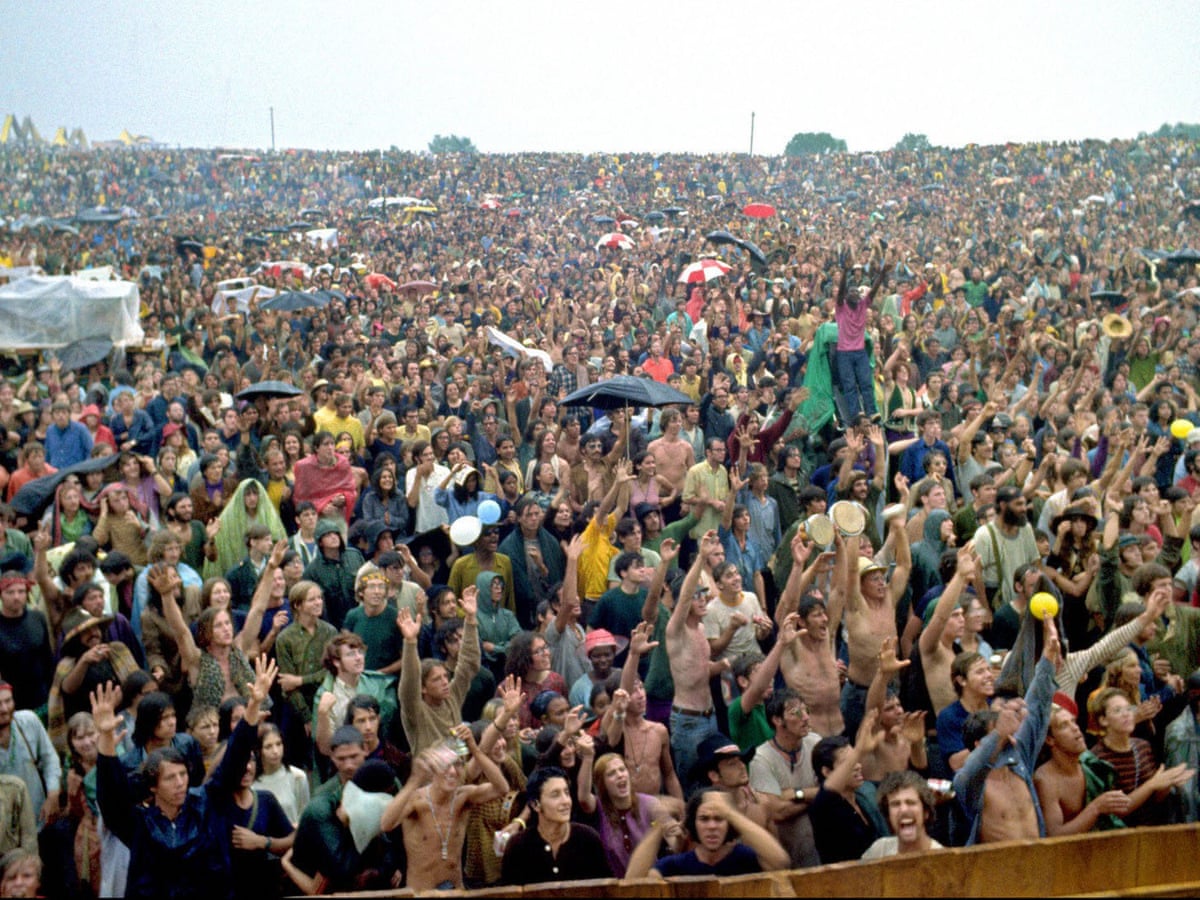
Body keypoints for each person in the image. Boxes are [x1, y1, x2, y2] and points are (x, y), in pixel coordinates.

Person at [93, 655, 276, 900]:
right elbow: (112, 800)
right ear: (153, 787)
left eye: (182, 775)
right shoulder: (141, 824)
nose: (180, 782)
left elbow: (233, 760)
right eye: (170, 778)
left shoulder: (205, 804)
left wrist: (253, 706)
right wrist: (106, 738)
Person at [953, 611, 1061, 845]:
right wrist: (999, 733)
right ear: (979, 743)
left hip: (1036, 864)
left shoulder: (1018, 760)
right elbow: (973, 766)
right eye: (1002, 732)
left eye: (1009, 731)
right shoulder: (969, 784)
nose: (1012, 737)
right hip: (996, 873)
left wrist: (1049, 657)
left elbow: (1037, 706)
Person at [380, 723, 508, 890]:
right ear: (434, 769)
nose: (453, 772)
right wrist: (414, 780)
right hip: (422, 894)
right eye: (445, 765)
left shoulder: (463, 797)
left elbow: (501, 788)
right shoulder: (416, 800)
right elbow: (386, 824)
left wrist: (475, 751)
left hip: (456, 891)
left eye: (458, 764)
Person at [625, 788, 789, 879]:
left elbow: (780, 862)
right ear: (693, 824)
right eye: (704, 819)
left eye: (719, 819)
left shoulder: (746, 858)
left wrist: (730, 813)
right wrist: (658, 827)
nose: (712, 826)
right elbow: (632, 883)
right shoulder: (677, 865)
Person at [397, 585, 482, 754]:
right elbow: (409, 682)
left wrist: (471, 619)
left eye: (445, 677)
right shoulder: (415, 710)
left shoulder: (451, 697)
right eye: (437, 679)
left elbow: (468, 665)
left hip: (459, 773)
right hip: (430, 777)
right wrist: (410, 642)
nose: (445, 682)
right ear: (423, 688)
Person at [499, 765, 610, 885]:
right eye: (555, 795)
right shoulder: (518, 847)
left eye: (567, 793)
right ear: (535, 804)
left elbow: (606, 889)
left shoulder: (588, 839)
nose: (565, 801)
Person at [860, 769, 944, 858]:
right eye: (895, 804)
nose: (903, 810)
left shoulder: (943, 860)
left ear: (926, 812)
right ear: (888, 815)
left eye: (911, 802)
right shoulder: (879, 851)